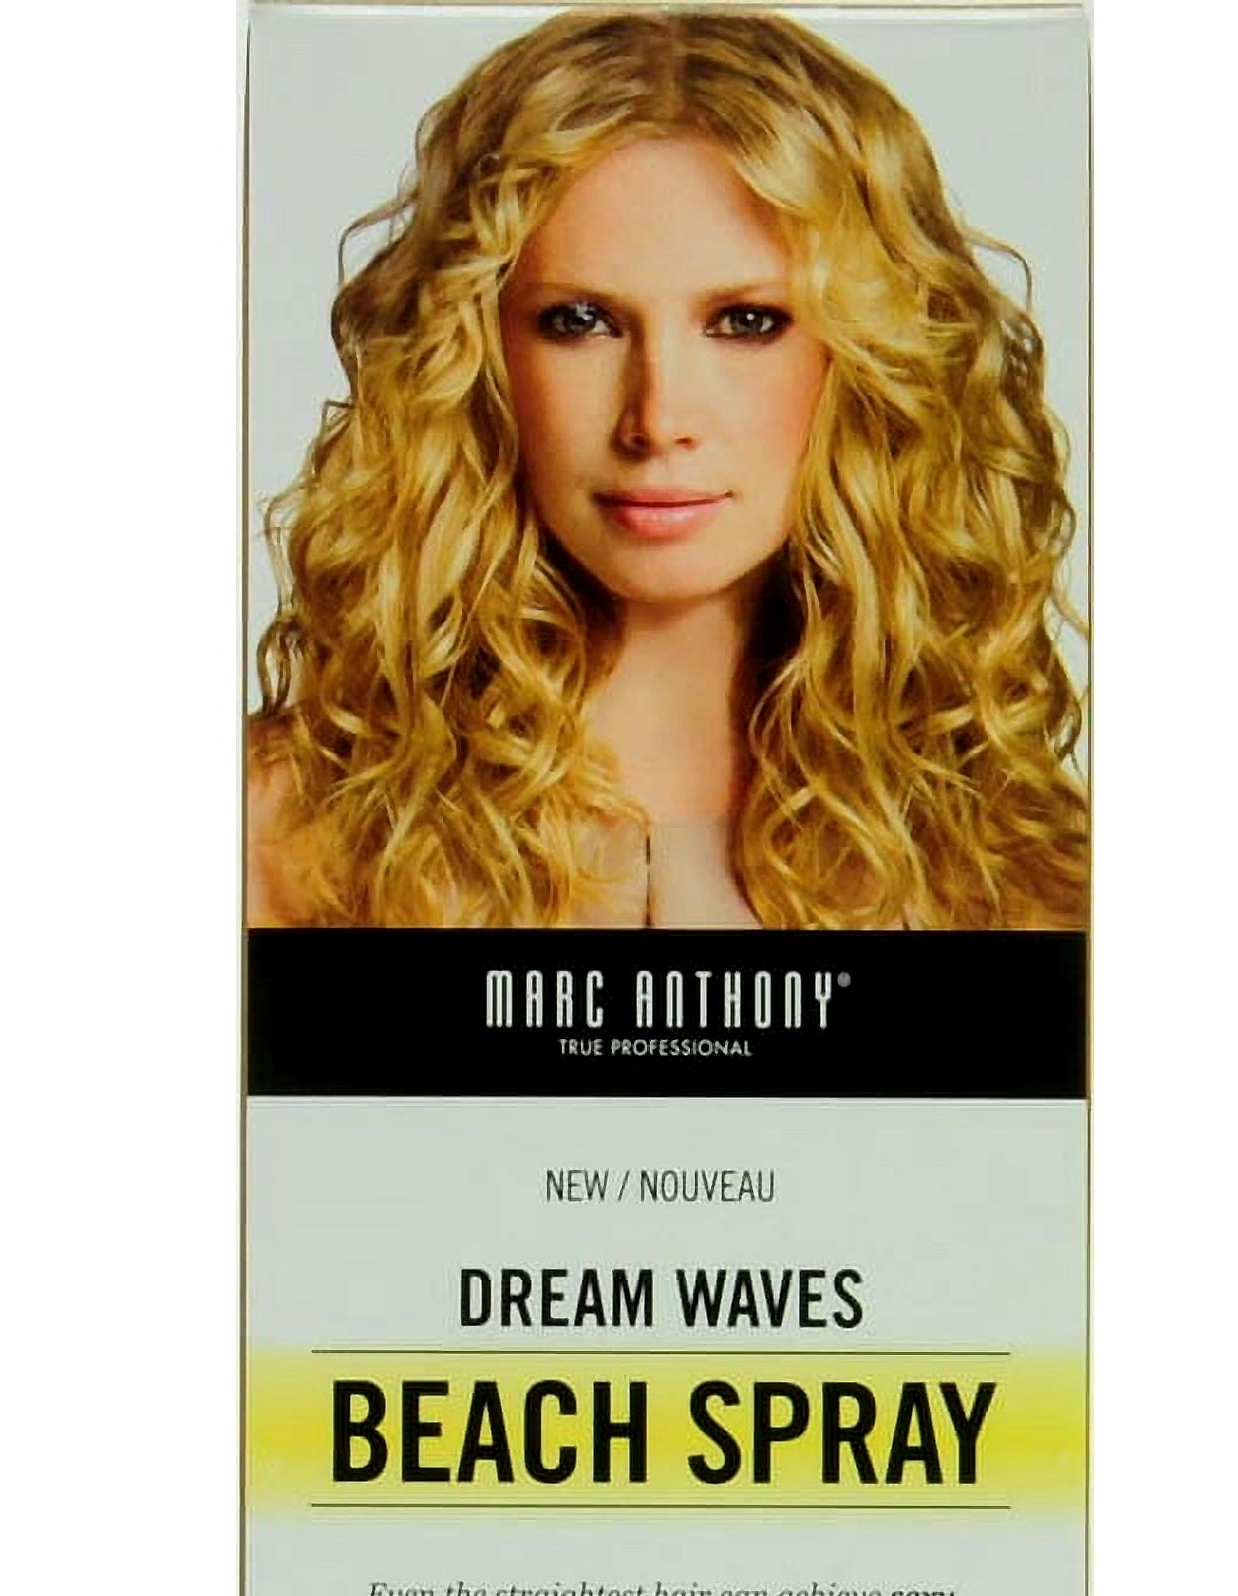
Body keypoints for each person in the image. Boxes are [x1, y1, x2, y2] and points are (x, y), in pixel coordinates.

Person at [248, 8, 1086, 929]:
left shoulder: (1021, 868)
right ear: (477, 354)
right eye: (580, 322)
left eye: (746, 322)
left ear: (866, 355)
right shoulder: (277, 832)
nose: (658, 420)